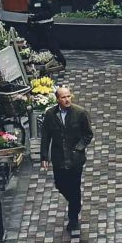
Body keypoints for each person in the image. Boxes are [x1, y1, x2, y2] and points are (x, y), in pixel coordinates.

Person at [38, 85, 92, 234]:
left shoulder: (80, 113)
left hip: (75, 159)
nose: (67, 99)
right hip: (59, 158)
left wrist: (78, 148)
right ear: (57, 99)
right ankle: (75, 202)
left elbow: (88, 134)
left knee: (74, 186)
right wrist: (44, 156)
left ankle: (73, 217)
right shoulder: (50, 114)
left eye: (68, 96)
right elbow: (45, 136)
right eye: (63, 97)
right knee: (60, 184)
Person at [24, 0, 61, 66]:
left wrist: (37, 16)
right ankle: (36, 63)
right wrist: (29, 25)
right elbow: (31, 12)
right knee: (34, 45)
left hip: (46, 26)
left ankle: (60, 61)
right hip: (36, 26)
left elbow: (50, 12)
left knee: (51, 45)